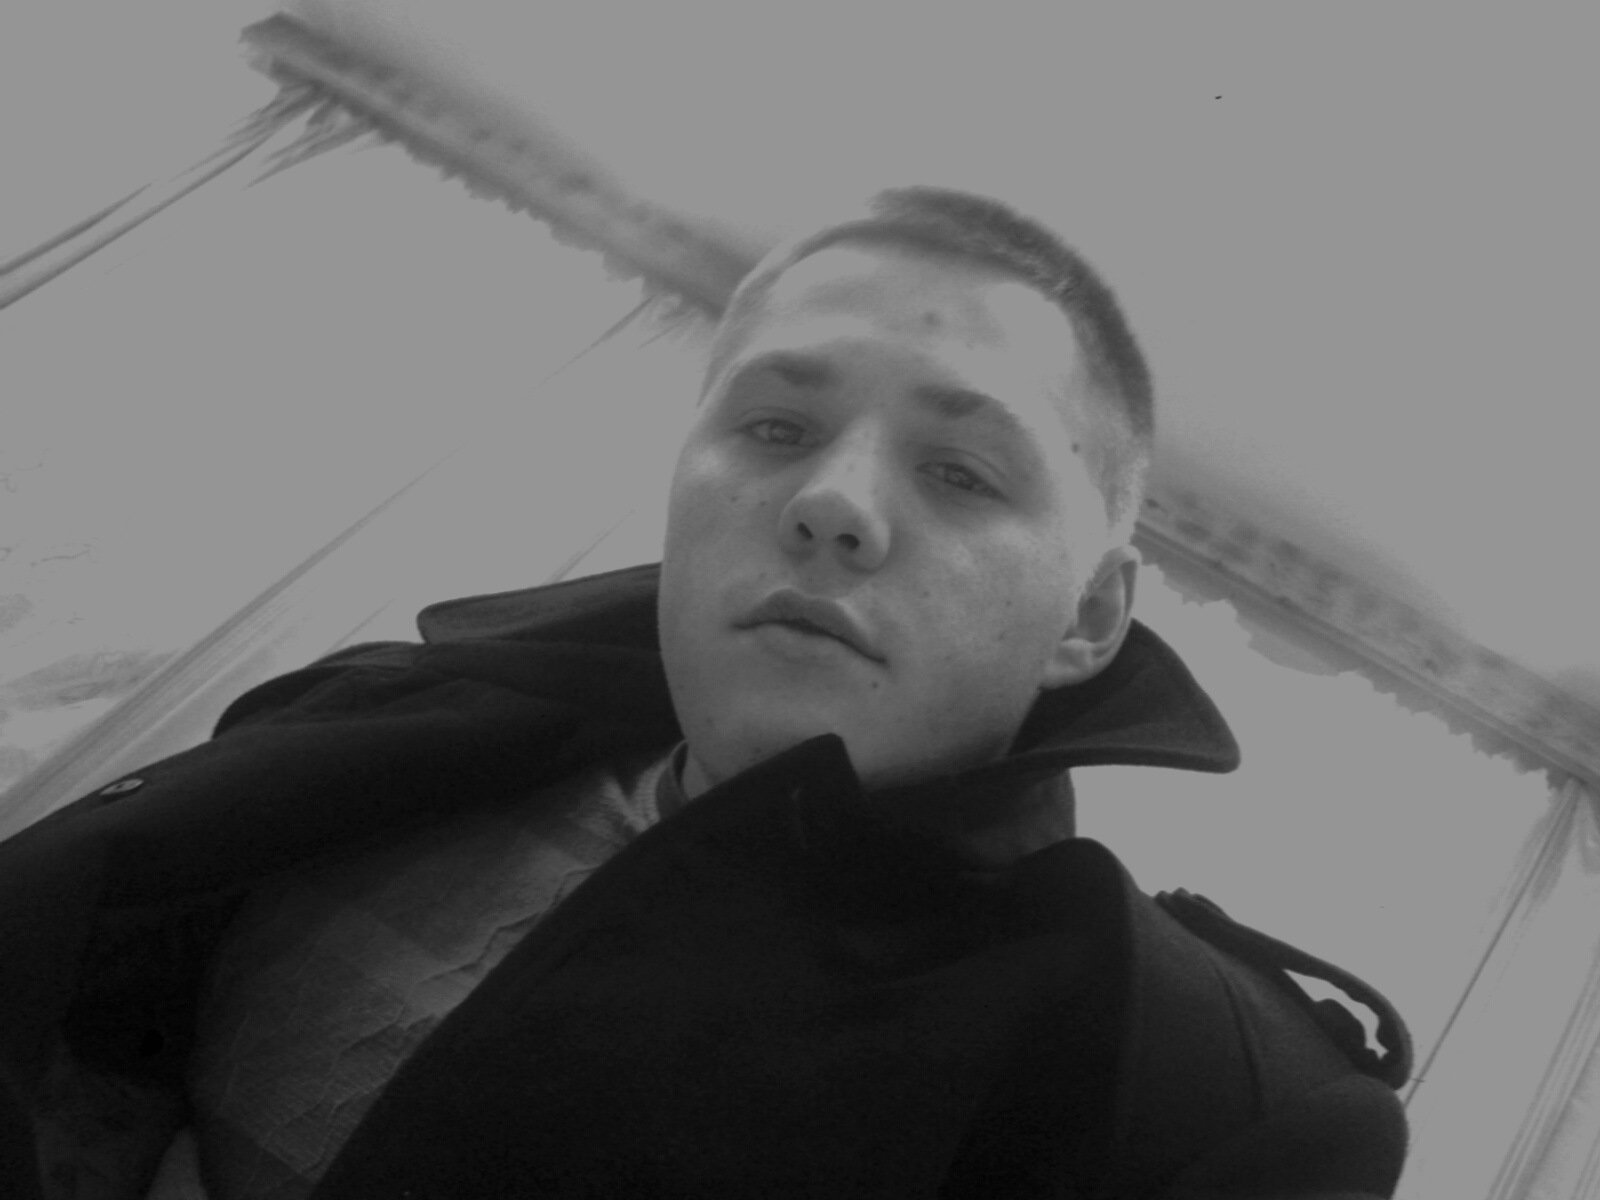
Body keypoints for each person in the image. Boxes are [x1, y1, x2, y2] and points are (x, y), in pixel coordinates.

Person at [0, 186, 1411, 1199]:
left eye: (961, 471)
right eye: (777, 425)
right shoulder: (385, 714)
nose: (833, 502)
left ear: (1089, 614)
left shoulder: (1191, 1094)